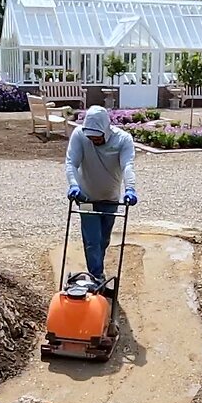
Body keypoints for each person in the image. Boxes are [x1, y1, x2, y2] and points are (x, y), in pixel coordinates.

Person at [64, 106, 138, 283]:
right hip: (86, 198)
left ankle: (98, 272)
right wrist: (74, 185)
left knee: (103, 240)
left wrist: (130, 189)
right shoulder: (79, 135)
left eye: (97, 137)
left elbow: (127, 165)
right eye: (91, 137)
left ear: (105, 130)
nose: (94, 140)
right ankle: (96, 277)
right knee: (92, 242)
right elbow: (71, 163)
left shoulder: (123, 139)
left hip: (110, 199)